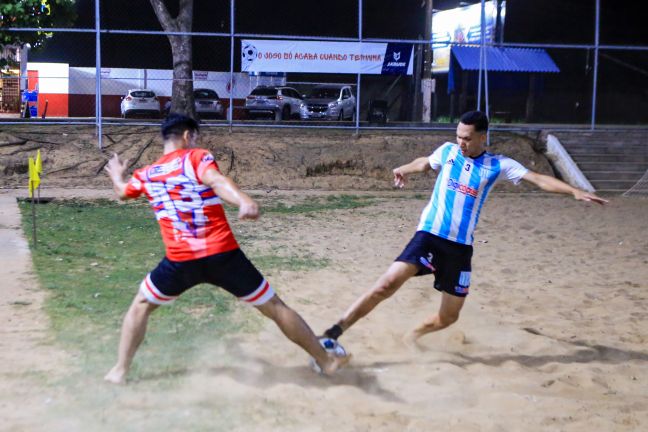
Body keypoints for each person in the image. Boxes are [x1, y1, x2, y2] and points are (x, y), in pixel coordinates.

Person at [321, 110, 608, 348]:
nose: (461, 143)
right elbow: (424, 163)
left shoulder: (497, 165)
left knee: (448, 318)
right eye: (458, 136)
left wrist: (573, 192)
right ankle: (335, 331)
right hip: (429, 236)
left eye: (467, 138)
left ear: (483, 137)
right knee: (386, 284)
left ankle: (413, 337)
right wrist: (404, 168)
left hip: (459, 250)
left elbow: (537, 178)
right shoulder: (447, 152)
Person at [103, 113, 349, 384]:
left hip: (181, 261)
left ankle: (119, 371)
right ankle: (325, 361)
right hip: (223, 255)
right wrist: (243, 200)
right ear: (187, 136)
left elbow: (123, 192)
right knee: (276, 307)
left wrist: (117, 174)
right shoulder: (195, 157)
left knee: (140, 306)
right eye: (195, 136)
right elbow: (217, 181)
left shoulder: (147, 174)